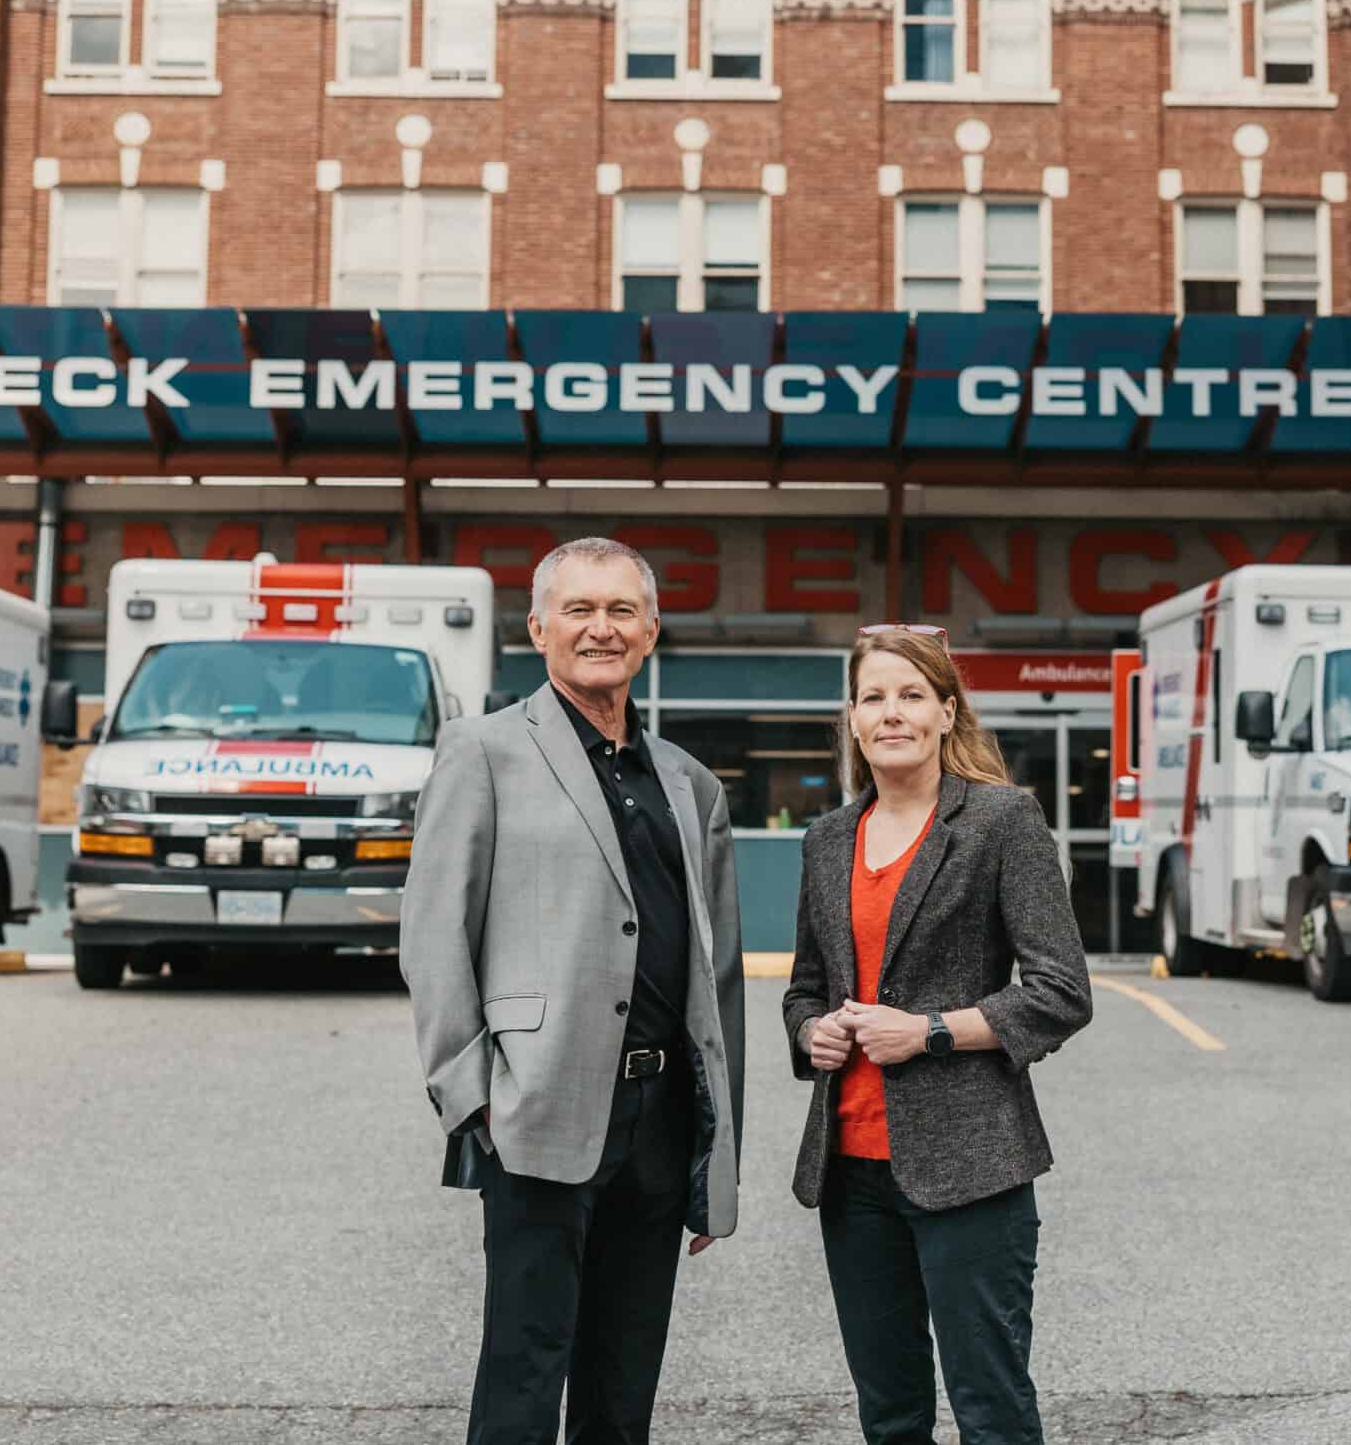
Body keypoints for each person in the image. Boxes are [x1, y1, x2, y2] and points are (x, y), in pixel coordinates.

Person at [402, 537, 746, 1445]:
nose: (602, 627)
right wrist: (471, 1099)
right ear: (539, 627)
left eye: (622, 610)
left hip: (663, 1119)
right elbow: (433, 937)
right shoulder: (481, 752)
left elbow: (717, 980)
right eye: (581, 609)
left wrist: (718, 1151)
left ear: (652, 630)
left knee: (622, 1389)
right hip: (536, 1109)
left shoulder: (691, 785)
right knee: (522, 1374)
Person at [782, 625, 1093, 1445]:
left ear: (946, 713)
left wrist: (929, 1033)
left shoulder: (1000, 821)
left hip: (974, 1170)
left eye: (912, 695)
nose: (893, 713)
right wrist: (810, 1030)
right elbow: (806, 986)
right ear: (851, 718)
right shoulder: (827, 841)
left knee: (990, 1406)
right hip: (852, 1174)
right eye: (874, 697)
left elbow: (1062, 992)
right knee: (889, 1413)